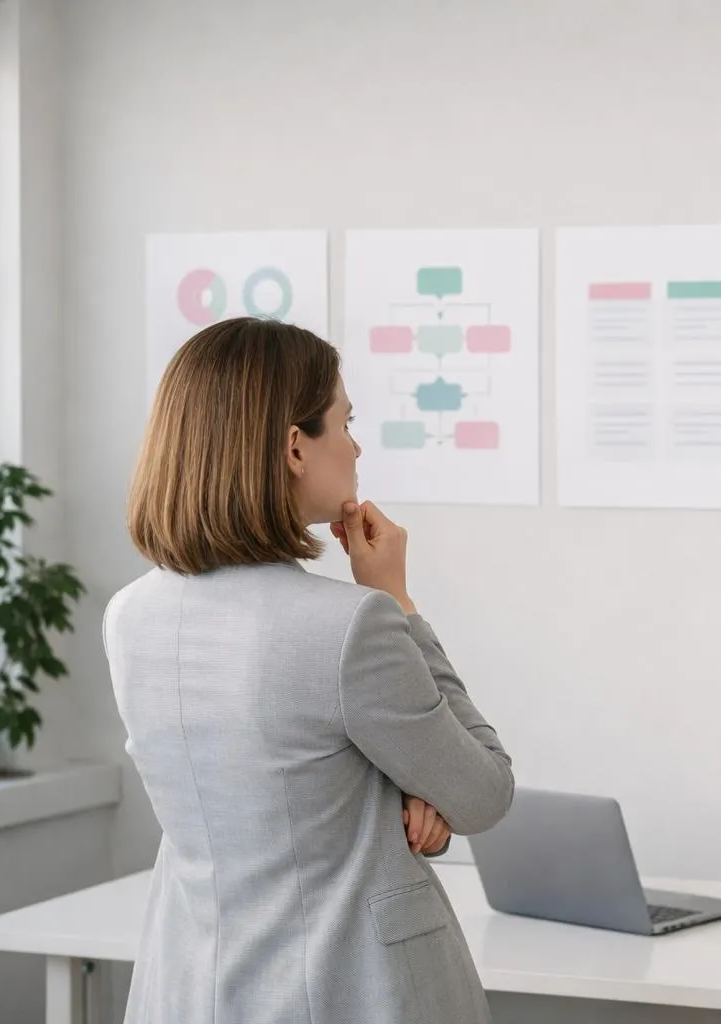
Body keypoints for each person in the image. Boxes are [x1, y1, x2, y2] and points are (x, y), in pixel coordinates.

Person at [104, 317, 514, 1024]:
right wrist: (396, 599)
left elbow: (275, 785)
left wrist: (403, 791)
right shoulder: (351, 624)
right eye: (346, 422)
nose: (356, 447)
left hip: (188, 990)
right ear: (296, 445)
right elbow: (483, 790)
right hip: (342, 991)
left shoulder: (128, 617)